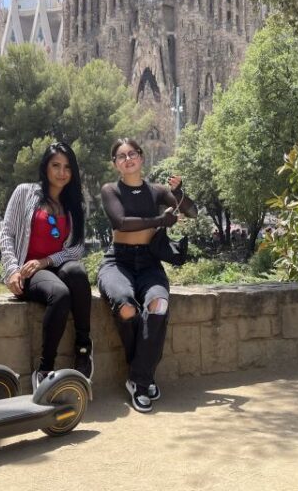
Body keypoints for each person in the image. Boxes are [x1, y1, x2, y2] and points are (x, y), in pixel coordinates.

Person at [98, 138, 197, 412]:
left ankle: (138, 379)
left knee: (158, 304)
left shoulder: (157, 191)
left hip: (150, 263)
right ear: (115, 164)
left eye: (132, 154)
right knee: (126, 307)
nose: (127, 159)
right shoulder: (110, 190)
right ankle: (143, 376)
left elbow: (192, 211)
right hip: (118, 261)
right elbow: (121, 223)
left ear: (141, 158)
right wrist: (159, 221)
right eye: (121, 156)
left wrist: (179, 193)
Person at [0, 142, 93, 389]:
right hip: (28, 272)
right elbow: (7, 233)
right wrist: (11, 270)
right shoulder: (24, 192)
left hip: (52, 266)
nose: (62, 172)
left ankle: (83, 348)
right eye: (56, 166)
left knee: (78, 272)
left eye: (67, 167)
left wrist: (46, 261)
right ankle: (44, 370)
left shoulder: (75, 204)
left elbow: (76, 249)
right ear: (45, 167)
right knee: (60, 294)